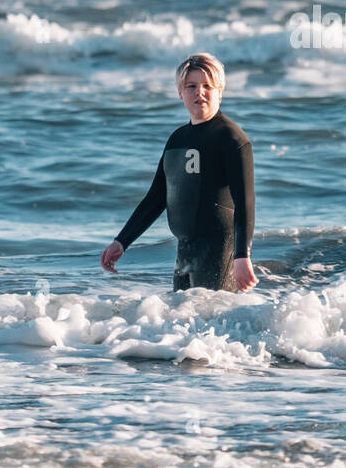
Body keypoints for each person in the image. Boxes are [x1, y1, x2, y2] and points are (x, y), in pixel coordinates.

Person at [101, 53, 258, 293]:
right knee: (184, 324)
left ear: (220, 91)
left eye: (208, 86)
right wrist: (122, 241)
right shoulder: (177, 140)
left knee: (213, 324)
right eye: (191, 86)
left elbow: (245, 204)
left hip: (220, 251)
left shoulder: (232, 139)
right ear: (180, 93)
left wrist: (241, 257)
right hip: (185, 251)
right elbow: (155, 199)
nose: (200, 92)